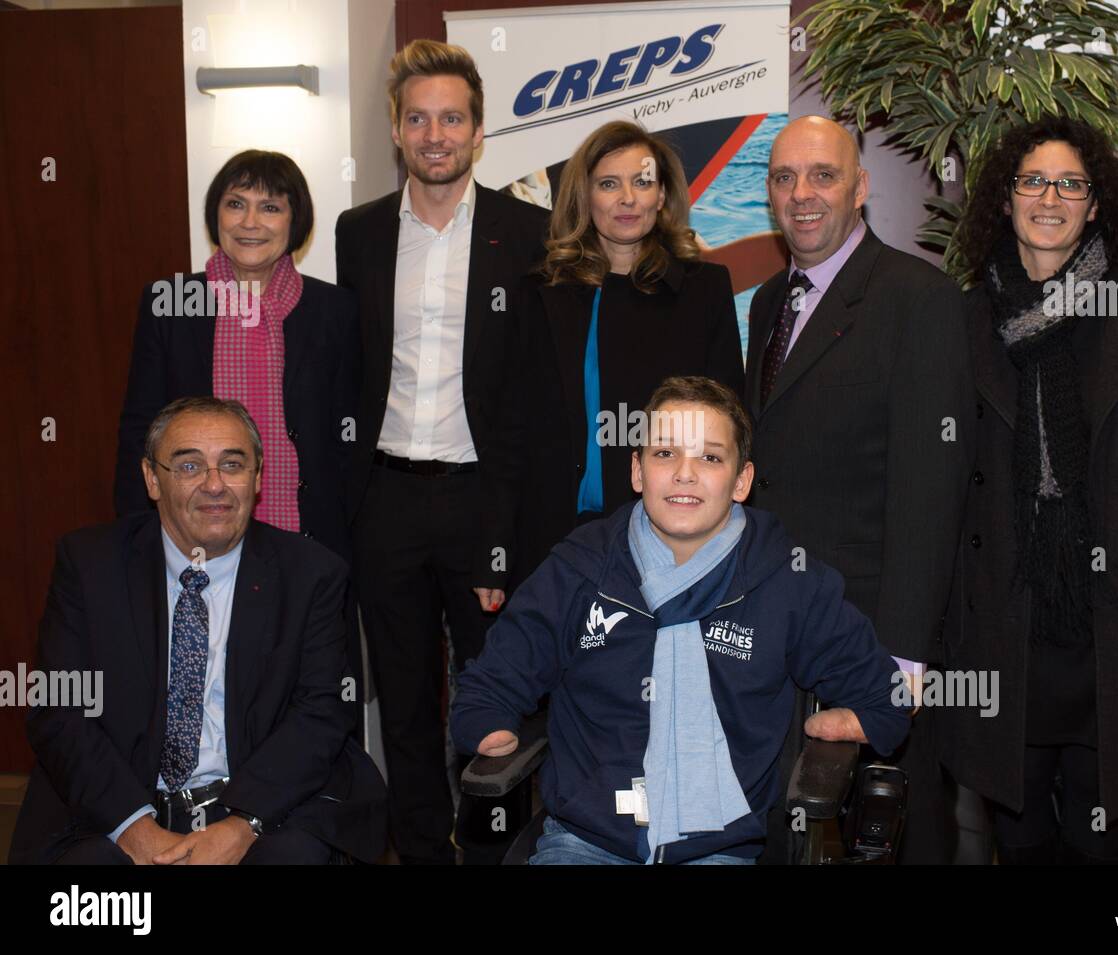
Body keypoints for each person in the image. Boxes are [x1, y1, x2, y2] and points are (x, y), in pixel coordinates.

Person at [450, 377, 910, 864]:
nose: (685, 474)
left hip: (718, 849)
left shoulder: (789, 582)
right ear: (637, 470)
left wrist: (847, 725)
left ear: (742, 480)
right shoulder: (580, 569)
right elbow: (490, 685)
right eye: (665, 454)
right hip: (585, 841)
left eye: (710, 457)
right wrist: (486, 727)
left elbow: (887, 698)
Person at [945, 117, 1118, 863]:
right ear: (1004, 199)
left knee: (1105, 848)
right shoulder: (962, 323)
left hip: (1109, 632)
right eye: (1031, 181)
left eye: (1070, 183)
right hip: (1006, 630)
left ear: (1095, 205)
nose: (1049, 198)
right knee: (1017, 845)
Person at [334, 39, 548, 865]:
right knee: (406, 700)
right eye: (418, 118)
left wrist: (507, 520)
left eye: (451, 118)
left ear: (478, 131)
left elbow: (531, 397)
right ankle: (423, 850)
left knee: (495, 697)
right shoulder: (357, 236)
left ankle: (496, 851)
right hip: (383, 498)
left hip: (480, 501)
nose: (434, 134)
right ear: (396, 129)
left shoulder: (525, 233)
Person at [10, 397, 387, 865]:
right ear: (152, 478)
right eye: (190, 465)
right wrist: (135, 829)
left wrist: (241, 825)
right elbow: (59, 711)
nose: (215, 485)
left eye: (233, 464)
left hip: (263, 805)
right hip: (121, 804)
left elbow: (321, 715)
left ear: (258, 477)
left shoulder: (311, 574)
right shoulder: (90, 565)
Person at [743, 115, 974, 864]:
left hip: (874, 630)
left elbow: (930, 488)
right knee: (798, 818)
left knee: (904, 827)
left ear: (861, 187)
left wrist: (902, 663)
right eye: (784, 178)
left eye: (822, 175)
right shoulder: (766, 304)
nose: (801, 195)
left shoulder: (919, 300)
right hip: (781, 618)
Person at [114, 150, 364, 732]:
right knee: (206, 688)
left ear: (294, 221)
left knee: (309, 695)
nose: (251, 221)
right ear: (216, 215)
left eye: (270, 206)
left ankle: (308, 817)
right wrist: (135, 539)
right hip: (193, 536)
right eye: (236, 203)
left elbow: (350, 434)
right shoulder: (170, 303)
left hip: (307, 537)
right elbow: (138, 426)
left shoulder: (335, 310)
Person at [502, 120, 745, 588]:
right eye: (609, 184)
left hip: (670, 534)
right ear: (584, 196)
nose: (627, 199)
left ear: (662, 195)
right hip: (552, 535)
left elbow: (726, 421)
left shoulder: (704, 291)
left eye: (642, 182)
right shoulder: (541, 291)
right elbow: (510, 426)